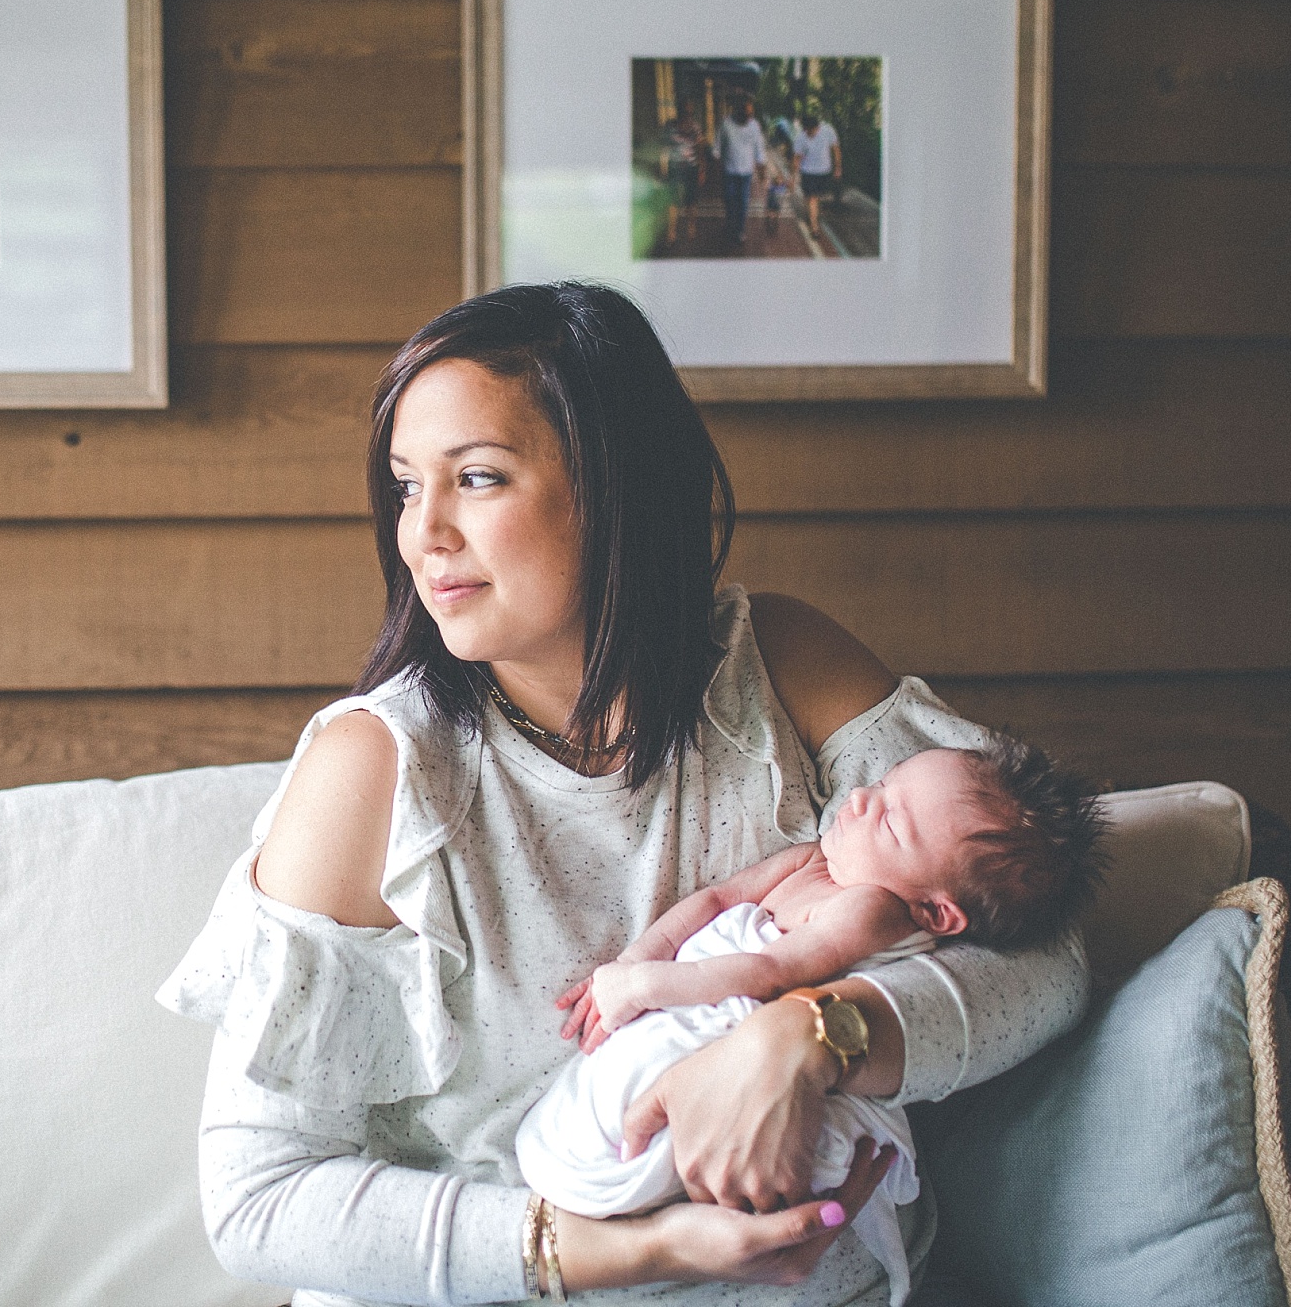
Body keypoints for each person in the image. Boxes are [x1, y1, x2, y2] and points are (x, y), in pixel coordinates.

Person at [158, 281, 1089, 1307]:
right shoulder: (373, 771)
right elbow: (259, 1201)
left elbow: (1043, 947)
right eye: (404, 486)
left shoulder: (780, 664)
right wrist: (627, 1249)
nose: (423, 534)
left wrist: (810, 1034)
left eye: (476, 478)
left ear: (617, 489)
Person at [516, 739, 1108, 1307]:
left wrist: (647, 988)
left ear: (936, 911)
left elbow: (773, 973)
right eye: (879, 785)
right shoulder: (814, 859)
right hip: (711, 994)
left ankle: (622, 1183)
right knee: (615, 1085)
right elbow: (718, 901)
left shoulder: (872, 907)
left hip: (741, 1012)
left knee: (647, 1085)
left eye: (889, 823)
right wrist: (637, 960)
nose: (857, 800)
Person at [714, 94, 769, 249]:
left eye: (751, 113)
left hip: (746, 174)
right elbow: (717, 149)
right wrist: (718, 172)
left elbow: (760, 152)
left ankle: (739, 230)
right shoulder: (725, 125)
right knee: (730, 202)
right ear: (737, 110)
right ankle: (731, 226)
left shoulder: (755, 126)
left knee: (743, 203)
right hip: (729, 172)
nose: (749, 116)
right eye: (746, 113)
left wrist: (763, 175)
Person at [795, 111, 844, 235]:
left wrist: (838, 168)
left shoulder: (828, 130)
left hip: (824, 172)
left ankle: (812, 216)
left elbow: (836, 149)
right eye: (807, 131)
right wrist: (793, 176)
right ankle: (814, 227)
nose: (809, 133)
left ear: (817, 127)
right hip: (807, 172)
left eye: (811, 131)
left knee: (814, 198)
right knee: (812, 198)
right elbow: (797, 157)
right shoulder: (801, 136)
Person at [658, 110, 702, 246]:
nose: (686, 117)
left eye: (689, 113)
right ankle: (671, 233)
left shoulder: (695, 127)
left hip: (691, 168)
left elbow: (700, 148)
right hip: (675, 168)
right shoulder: (669, 127)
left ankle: (691, 227)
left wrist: (702, 169)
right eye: (684, 112)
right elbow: (664, 148)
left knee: (691, 201)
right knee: (673, 201)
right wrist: (662, 167)